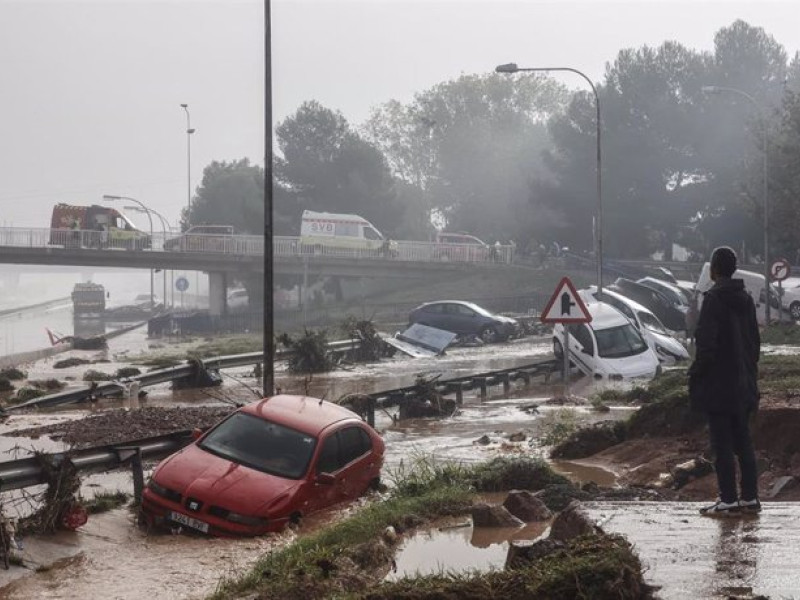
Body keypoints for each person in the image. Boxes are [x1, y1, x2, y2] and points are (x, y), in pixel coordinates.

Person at [689, 246, 761, 516]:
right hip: (744, 383)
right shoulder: (746, 299)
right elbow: (755, 342)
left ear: (714, 269)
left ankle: (728, 499)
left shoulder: (714, 299)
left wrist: (696, 373)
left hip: (719, 385)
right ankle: (750, 498)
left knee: (722, 444)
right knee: (743, 441)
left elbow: (706, 344)